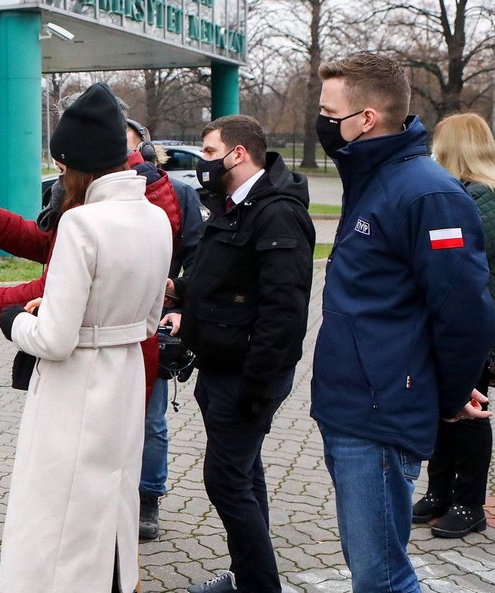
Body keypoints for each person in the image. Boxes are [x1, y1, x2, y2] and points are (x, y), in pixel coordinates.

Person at [310, 54, 495, 593]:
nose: (322, 123)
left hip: (381, 412)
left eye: (330, 111)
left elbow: (465, 312)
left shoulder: (426, 193)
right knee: (374, 571)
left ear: (365, 119)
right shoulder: (372, 179)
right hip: (352, 406)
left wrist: (449, 388)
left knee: (383, 579)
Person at [0, 82, 172, 593]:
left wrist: (12, 320)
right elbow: (147, 310)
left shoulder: (82, 224)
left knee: (57, 518)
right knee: (110, 503)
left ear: (78, 165)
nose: (60, 176)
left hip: (77, 387)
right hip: (128, 375)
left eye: (63, 166)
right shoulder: (155, 217)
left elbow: (54, 340)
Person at [163, 114, 315, 593]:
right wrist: (180, 293)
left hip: (245, 377)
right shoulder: (232, 206)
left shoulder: (277, 212)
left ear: (238, 153)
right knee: (245, 476)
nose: (203, 162)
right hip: (221, 370)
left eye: (209, 152)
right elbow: (222, 281)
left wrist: (255, 386)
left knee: (226, 481)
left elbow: (284, 313)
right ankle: (250, 576)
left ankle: (259, 585)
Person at [412, 112, 495, 538]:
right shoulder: (461, 193)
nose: (433, 154)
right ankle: (439, 491)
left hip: (482, 319)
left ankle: (469, 502)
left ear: (456, 148)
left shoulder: (488, 198)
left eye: (440, 144)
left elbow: (453, 247)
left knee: (471, 408)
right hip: (459, 316)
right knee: (446, 407)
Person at [124, 118, 205, 541]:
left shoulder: (180, 196)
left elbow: (200, 257)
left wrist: (181, 301)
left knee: (151, 419)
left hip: (155, 324)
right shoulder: (87, 195)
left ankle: (147, 498)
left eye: (131, 147)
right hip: (104, 327)